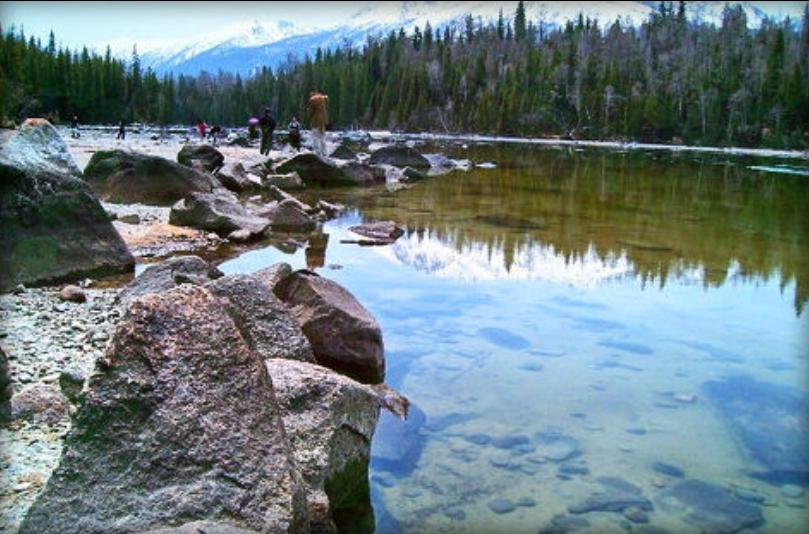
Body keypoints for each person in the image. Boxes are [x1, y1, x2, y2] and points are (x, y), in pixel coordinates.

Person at [307, 91, 329, 156]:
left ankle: (317, 152)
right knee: (322, 137)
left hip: (315, 121)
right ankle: (324, 152)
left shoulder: (312, 100)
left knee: (315, 137)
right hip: (323, 121)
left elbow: (310, 111)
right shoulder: (324, 99)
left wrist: (308, 113)